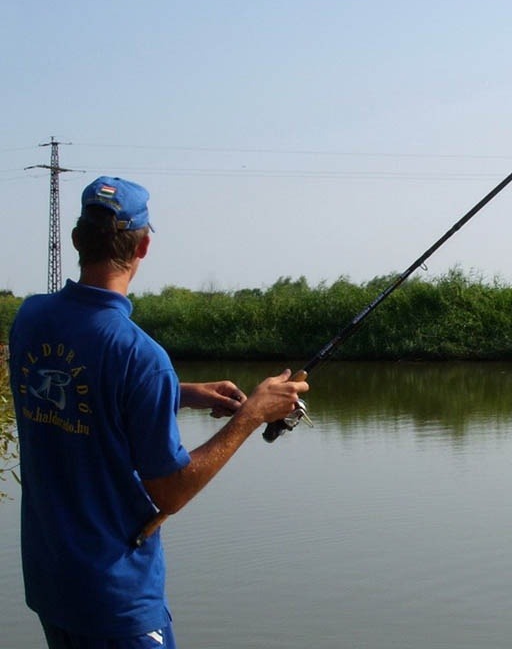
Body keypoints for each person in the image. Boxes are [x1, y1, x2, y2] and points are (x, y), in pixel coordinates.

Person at [8, 176, 309, 649]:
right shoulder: (139, 355)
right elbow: (169, 492)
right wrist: (249, 415)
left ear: (76, 238)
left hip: (51, 585)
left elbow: (73, 392)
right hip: (117, 601)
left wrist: (181, 392)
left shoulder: (31, 319)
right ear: (144, 246)